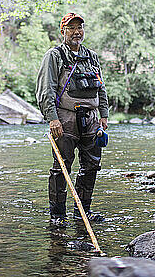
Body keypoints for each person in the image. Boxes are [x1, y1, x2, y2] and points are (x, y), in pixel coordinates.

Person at [36, 12, 109, 226]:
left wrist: (104, 114)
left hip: (93, 121)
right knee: (61, 167)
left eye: (80, 28)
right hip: (65, 120)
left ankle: (82, 213)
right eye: (71, 28)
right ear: (63, 31)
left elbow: (101, 88)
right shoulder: (54, 55)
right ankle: (57, 216)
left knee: (91, 167)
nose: (77, 32)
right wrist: (52, 118)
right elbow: (45, 89)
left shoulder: (92, 56)